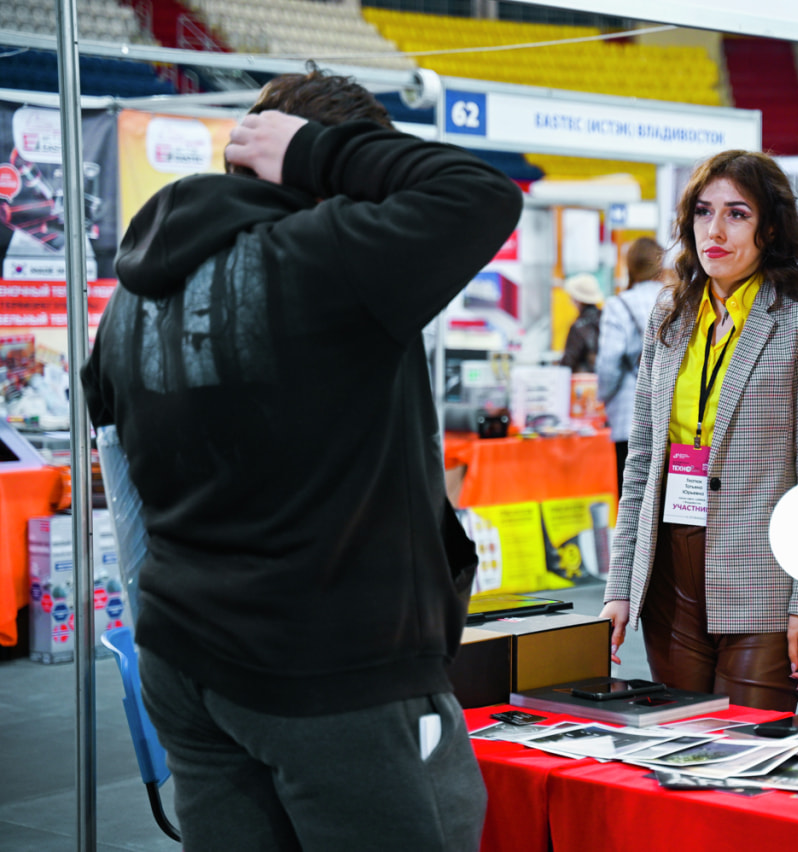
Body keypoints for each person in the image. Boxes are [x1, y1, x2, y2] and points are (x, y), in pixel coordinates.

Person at [80, 70, 522, 852]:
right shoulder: (328, 257)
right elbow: (482, 193)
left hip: (185, 660)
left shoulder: (129, 302)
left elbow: (124, 495)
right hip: (333, 672)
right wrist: (323, 151)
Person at [598, 150, 798, 713]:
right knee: (681, 746)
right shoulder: (670, 313)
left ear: (771, 227)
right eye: (703, 212)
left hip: (763, 576)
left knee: (746, 753)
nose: (715, 230)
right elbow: (641, 463)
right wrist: (619, 586)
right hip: (669, 576)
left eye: (737, 214)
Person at [597, 237, 665, 493]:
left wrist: (603, 396)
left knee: (632, 498)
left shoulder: (619, 305)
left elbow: (609, 362)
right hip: (670, 418)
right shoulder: (675, 300)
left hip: (629, 415)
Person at [559, 272, 604, 373]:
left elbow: (568, 363)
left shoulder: (578, 327)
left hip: (585, 385)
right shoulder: (607, 319)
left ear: (577, 300)